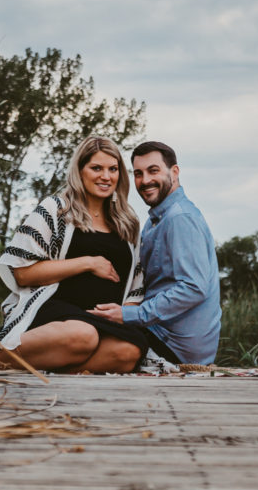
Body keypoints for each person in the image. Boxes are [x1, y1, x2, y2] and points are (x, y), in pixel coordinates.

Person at [0, 136, 147, 373]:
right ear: (79, 171)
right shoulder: (56, 209)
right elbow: (22, 273)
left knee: (128, 352)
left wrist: (123, 312)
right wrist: (87, 263)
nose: (106, 176)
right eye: (96, 168)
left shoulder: (127, 221)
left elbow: (136, 286)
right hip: (54, 312)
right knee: (83, 334)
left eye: (113, 169)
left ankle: (46, 365)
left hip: (105, 322)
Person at [89, 141, 221, 365]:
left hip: (174, 346)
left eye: (153, 171)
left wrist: (129, 315)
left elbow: (193, 288)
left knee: (82, 339)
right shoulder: (154, 221)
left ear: (175, 172)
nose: (145, 181)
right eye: (138, 174)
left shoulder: (180, 218)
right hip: (160, 332)